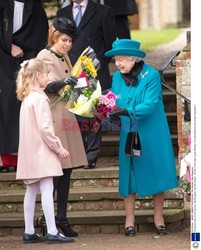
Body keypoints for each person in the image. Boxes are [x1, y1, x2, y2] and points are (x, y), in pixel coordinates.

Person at [105, 39, 178, 236]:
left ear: (134, 59)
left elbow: (150, 104)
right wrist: (104, 104)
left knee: (156, 170)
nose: (118, 64)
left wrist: (125, 110)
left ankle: (159, 218)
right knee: (129, 176)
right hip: (129, 130)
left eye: (122, 60)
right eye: (116, 60)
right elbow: (113, 98)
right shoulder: (118, 77)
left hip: (152, 131)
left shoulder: (151, 75)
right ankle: (129, 221)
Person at [37, 17, 87, 237]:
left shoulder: (65, 56)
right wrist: (63, 83)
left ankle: (61, 219)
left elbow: (71, 83)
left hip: (67, 114)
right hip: (53, 117)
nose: (67, 44)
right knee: (55, 172)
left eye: (70, 40)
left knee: (67, 171)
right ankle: (47, 220)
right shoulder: (43, 56)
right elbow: (45, 85)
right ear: (54, 36)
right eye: (63, 39)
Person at [16, 58, 74, 244]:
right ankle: (52, 231)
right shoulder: (40, 99)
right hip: (42, 151)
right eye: (47, 74)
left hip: (30, 151)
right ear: (39, 75)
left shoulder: (27, 98)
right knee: (47, 189)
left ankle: (29, 231)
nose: (48, 78)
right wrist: (59, 147)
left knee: (31, 189)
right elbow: (45, 129)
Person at [57, 0, 117, 169]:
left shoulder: (103, 11)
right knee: (75, 116)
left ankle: (91, 156)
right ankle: (78, 154)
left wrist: (94, 65)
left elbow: (110, 43)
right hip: (70, 74)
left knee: (93, 114)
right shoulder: (63, 13)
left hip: (94, 73)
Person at [0, 0, 49, 173]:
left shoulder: (34, 6)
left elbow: (40, 33)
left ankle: (23, 158)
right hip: (3, 61)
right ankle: (5, 159)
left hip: (27, 61)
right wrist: (9, 45)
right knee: (5, 108)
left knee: (25, 107)